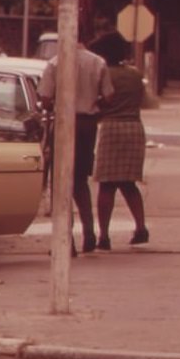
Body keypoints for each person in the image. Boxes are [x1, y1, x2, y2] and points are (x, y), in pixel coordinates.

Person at [38, 42, 114, 255]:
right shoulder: (98, 62)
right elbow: (108, 96)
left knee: (60, 181)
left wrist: (55, 101)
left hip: (63, 123)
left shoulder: (55, 63)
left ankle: (66, 240)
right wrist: (93, 103)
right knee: (80, 181)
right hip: (87, 125)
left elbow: (44, 98)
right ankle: (89, 232)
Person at [92, 32, 148, 250]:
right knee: (128, 183)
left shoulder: (104, 75)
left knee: (106, 184)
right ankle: (141, 227)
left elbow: (99, 101)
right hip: (134, 127)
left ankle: (104, 235)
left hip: (111, 127)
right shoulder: (135, 75)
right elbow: (142, 100)